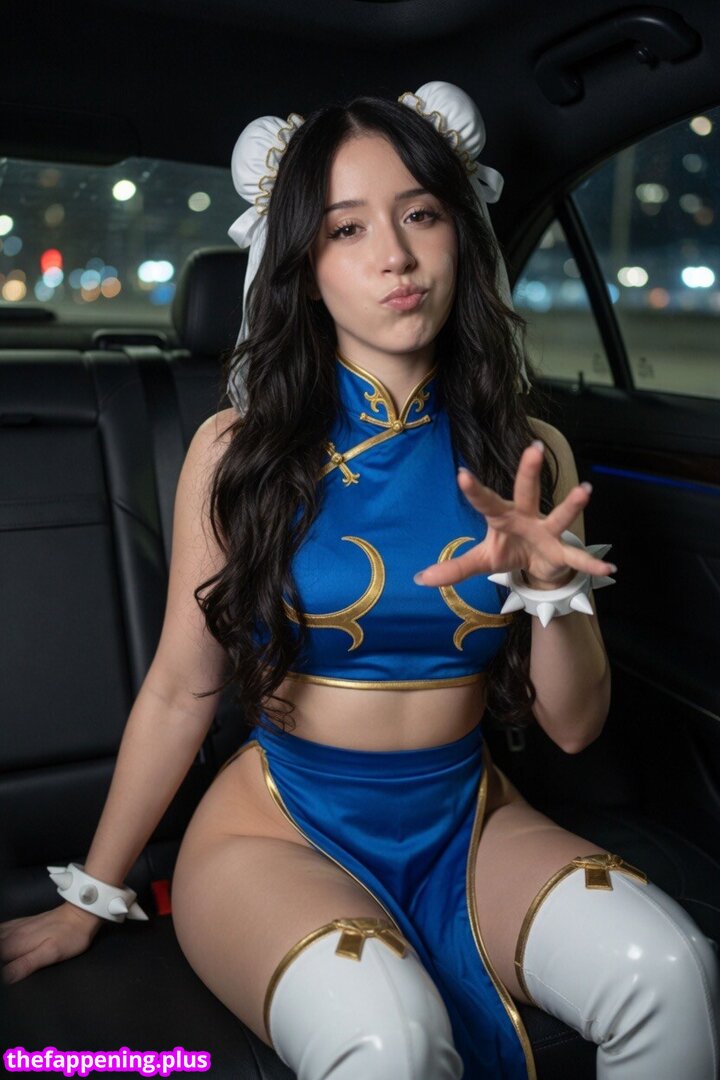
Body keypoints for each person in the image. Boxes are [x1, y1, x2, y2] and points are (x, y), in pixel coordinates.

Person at [1, 81, 717, 1080]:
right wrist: (90, 894)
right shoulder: (238, 451)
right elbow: (180, 690)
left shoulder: (530, 456)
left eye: (420, 214)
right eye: (347, 229)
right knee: (389, 1039)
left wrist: (551, 594)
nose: (396, 256)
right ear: (304, 267)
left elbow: (572, 728)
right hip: (278, 826)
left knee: (671, 971)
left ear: (460, 232)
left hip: (468, 816)